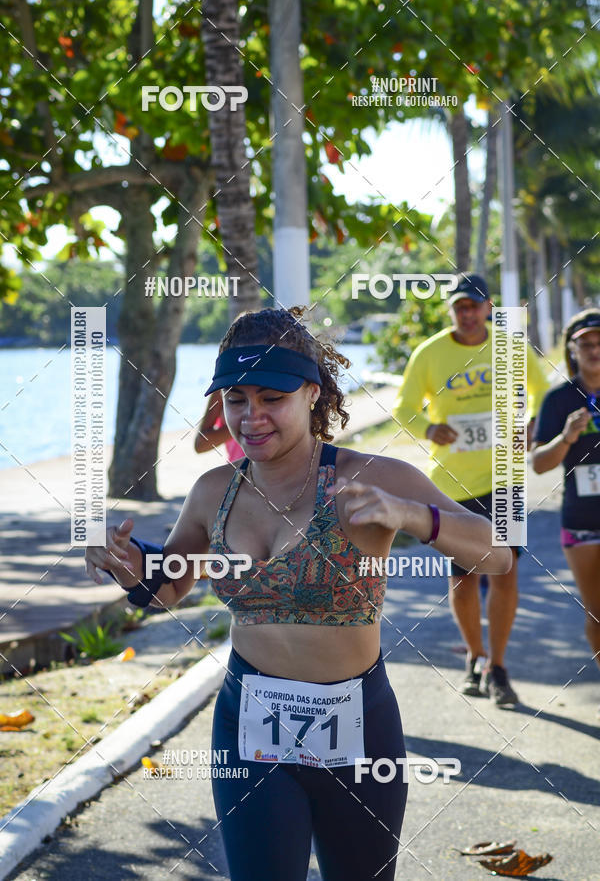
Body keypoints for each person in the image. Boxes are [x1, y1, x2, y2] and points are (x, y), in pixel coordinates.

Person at [85, 306, 511, 881]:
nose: (251, 416)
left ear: (312, 394)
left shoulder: (372, 477)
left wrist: (413, 515)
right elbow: (170, 585)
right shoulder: (213, 491)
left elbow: (498, 554)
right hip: (249, 725)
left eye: (271, 398)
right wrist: (130, 565)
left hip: (359, 727)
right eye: (236, 399)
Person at [393, 274, 549, 706]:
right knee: (463, 579)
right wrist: (429, 429)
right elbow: (403, 408)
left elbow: (541, 392)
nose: (467, 314)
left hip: (505, 478)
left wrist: (532, 423)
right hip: (452, 484)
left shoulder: (509, 346)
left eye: (474, 306)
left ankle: (497, 666)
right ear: (451, 310)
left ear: (488, 308)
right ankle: (475, 658)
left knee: (505, 570)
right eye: (459, 307)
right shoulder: (430, 353)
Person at [532, 309, 600, 699]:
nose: (594, 350)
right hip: (582, 519)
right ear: (572, 349)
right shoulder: (560, 399)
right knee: (597, 612)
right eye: (585, 343)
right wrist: (567, 436)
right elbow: (540, 464)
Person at [195, 390, 245, 462]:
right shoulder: (222, 387)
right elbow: (201, 444)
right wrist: (242, 425)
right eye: (235, 401)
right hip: (237, 465)